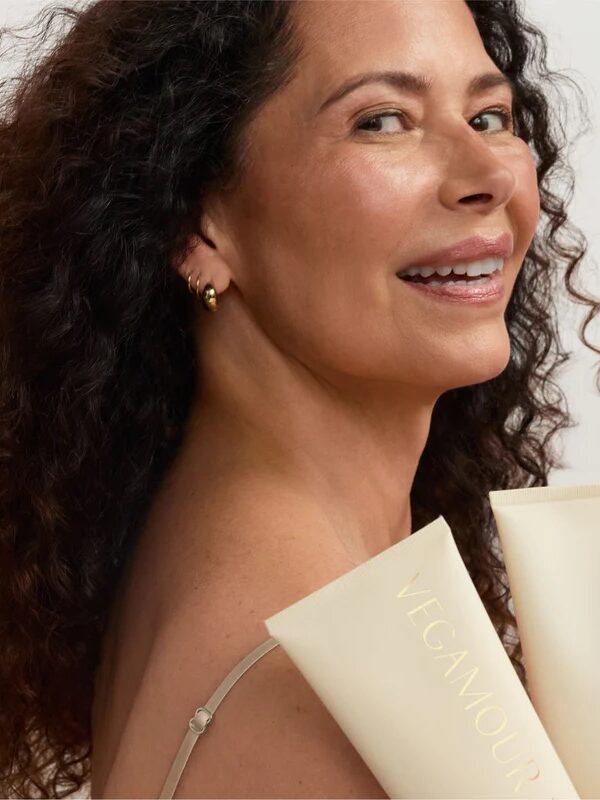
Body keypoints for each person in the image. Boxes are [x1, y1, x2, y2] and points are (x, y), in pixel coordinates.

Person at [0, 0, 597, 797]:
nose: (489, 175)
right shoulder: (329, 687)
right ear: (198, 222)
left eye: (489, 115)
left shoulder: (205, 538)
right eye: (383, 121)